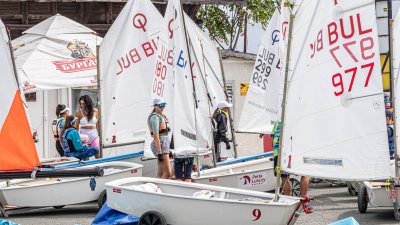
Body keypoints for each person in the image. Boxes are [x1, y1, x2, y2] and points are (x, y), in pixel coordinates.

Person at [271, 119, 313, 212]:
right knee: (305, 174)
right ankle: (304, 201)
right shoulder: (297, 117)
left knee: (284, 178)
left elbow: (273, 138)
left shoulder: (278, 121)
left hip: (278, 153)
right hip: (294, 151)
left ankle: (287, 202)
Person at [148, 97, 171, 179]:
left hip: (163, 143)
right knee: (167, 173)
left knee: (161, 172)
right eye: (160, 105)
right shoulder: (155, 117)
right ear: (155, 106)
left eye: (164, 105)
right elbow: (156, 136)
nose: (162, 107)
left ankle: (156, 188)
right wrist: (159, 152)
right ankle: (159, 189)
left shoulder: (160, 116)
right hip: (160, 145)